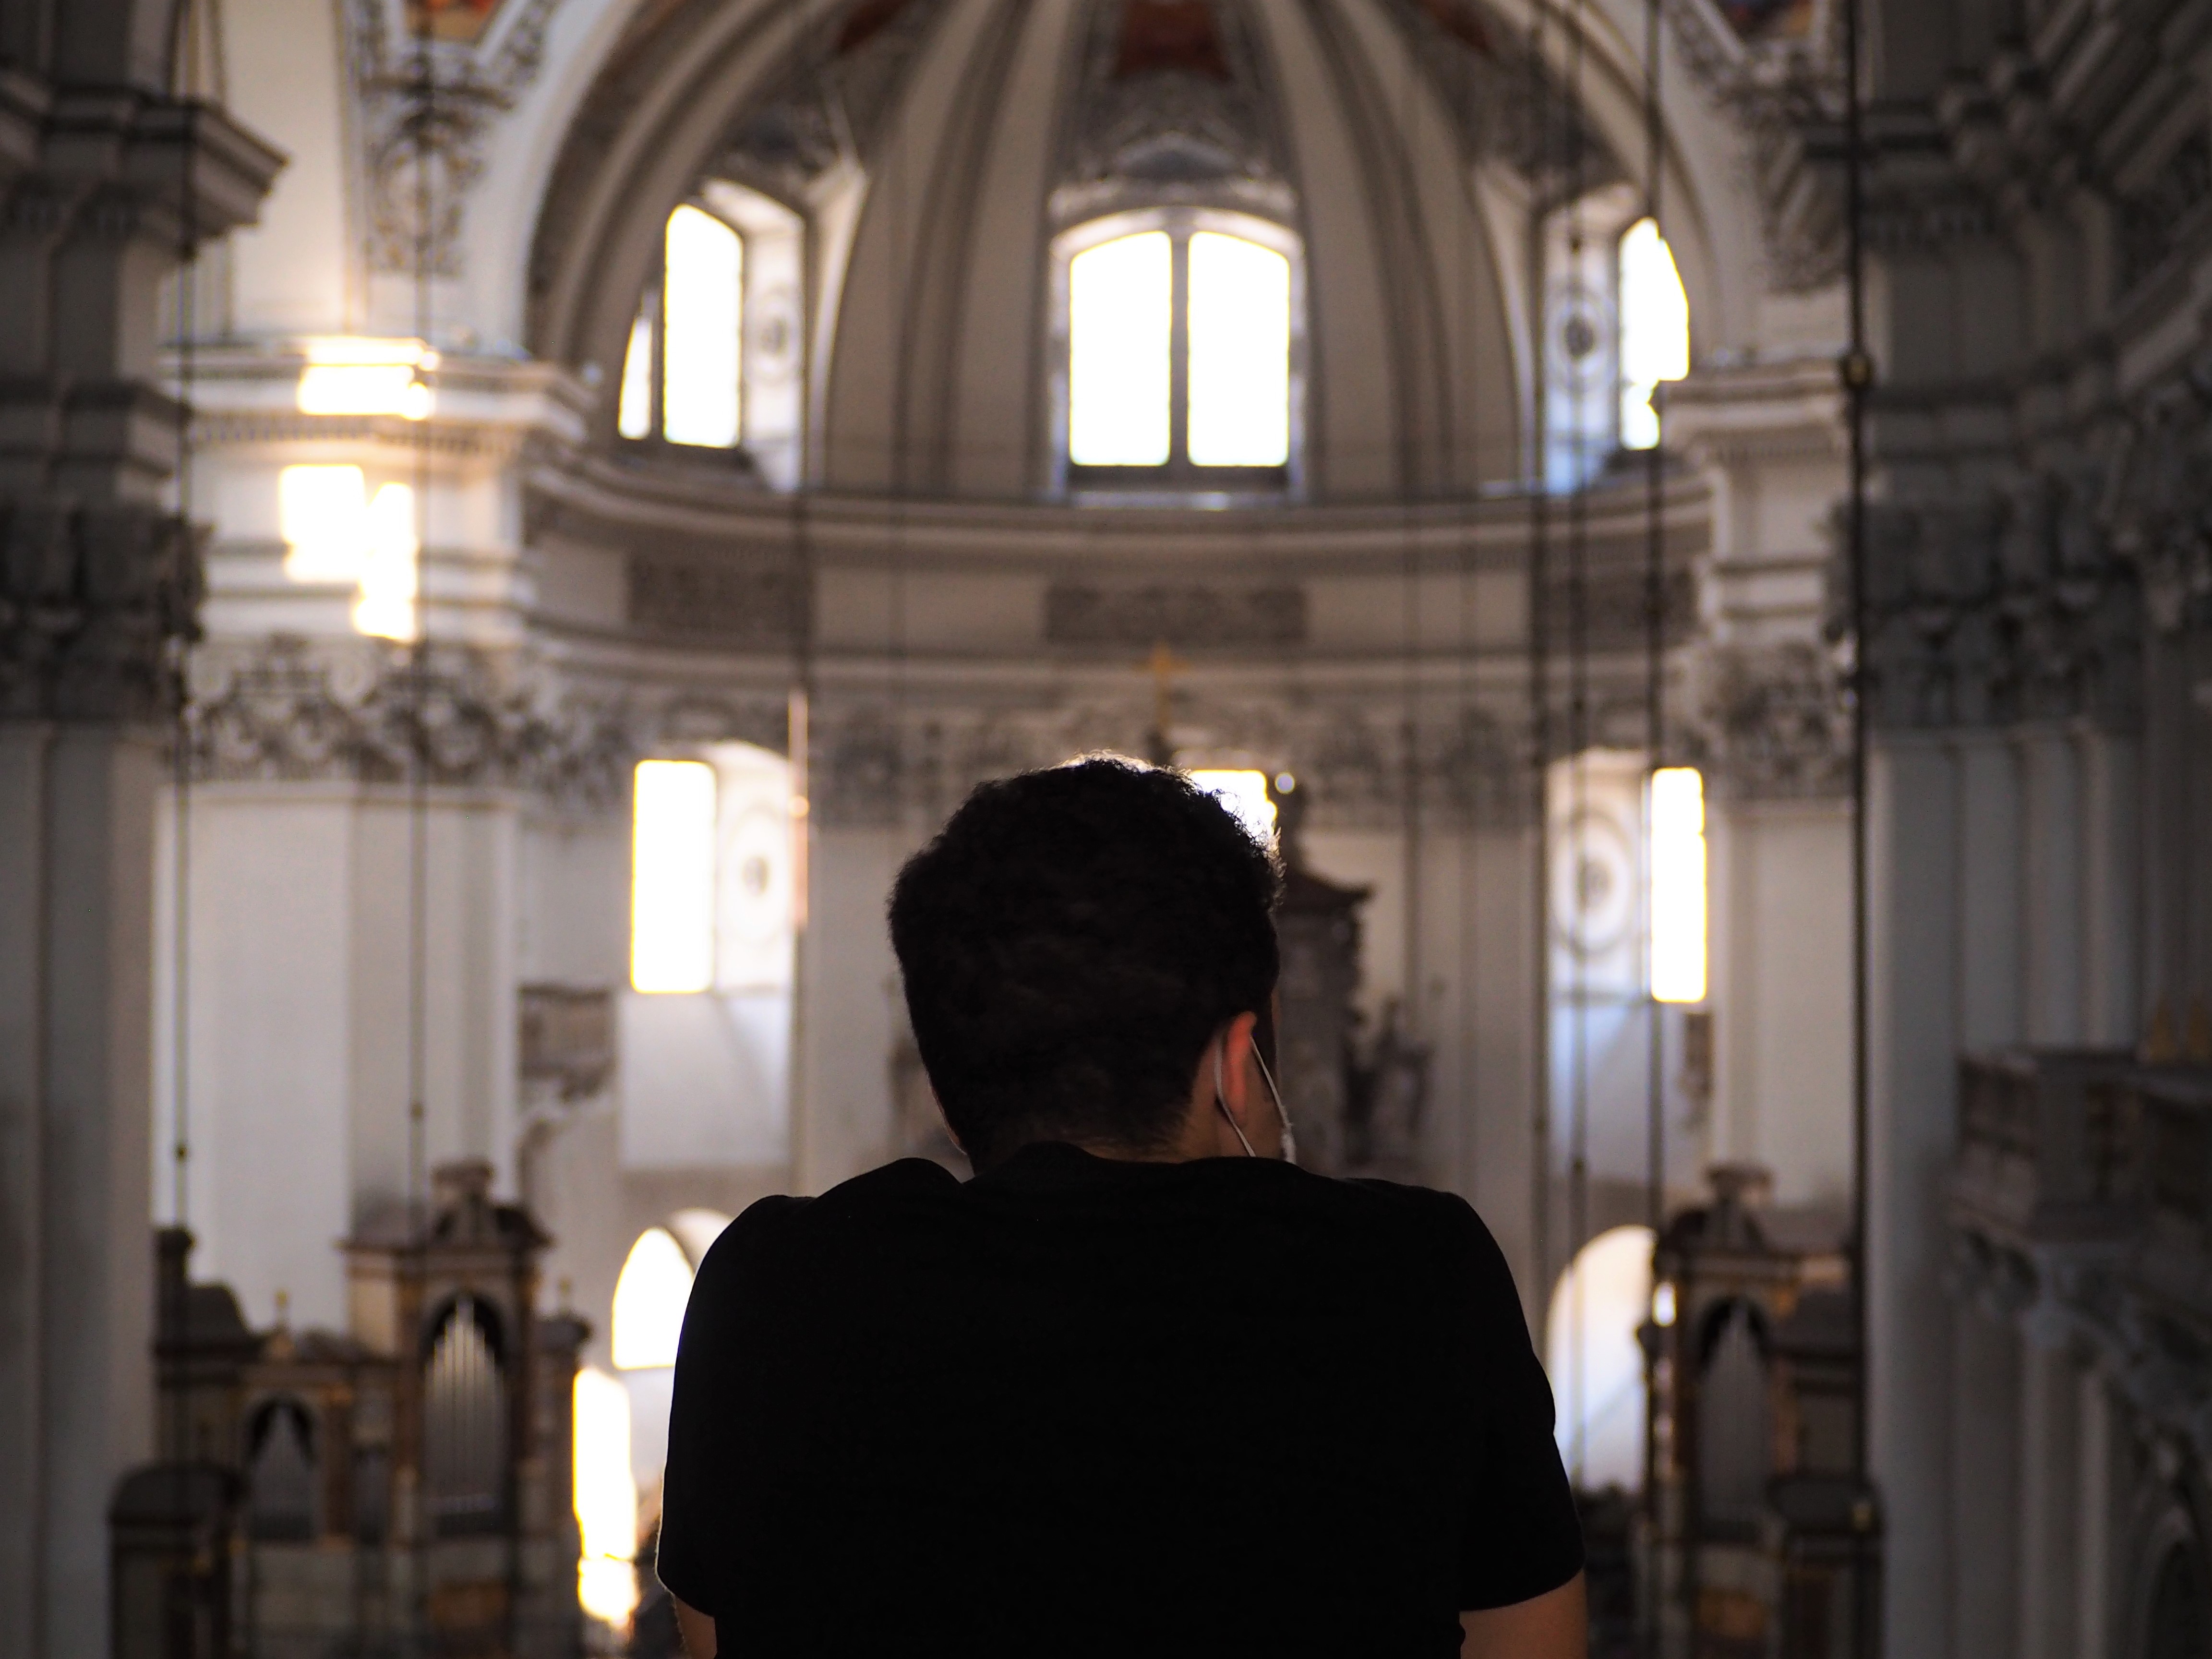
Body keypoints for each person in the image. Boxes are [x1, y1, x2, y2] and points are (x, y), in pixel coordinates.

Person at [656, 758, 1586, 1657]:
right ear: (1234, 1061)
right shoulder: (1418, 1281)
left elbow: (716, 1637)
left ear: (944, 1096)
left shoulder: (777, 1293)